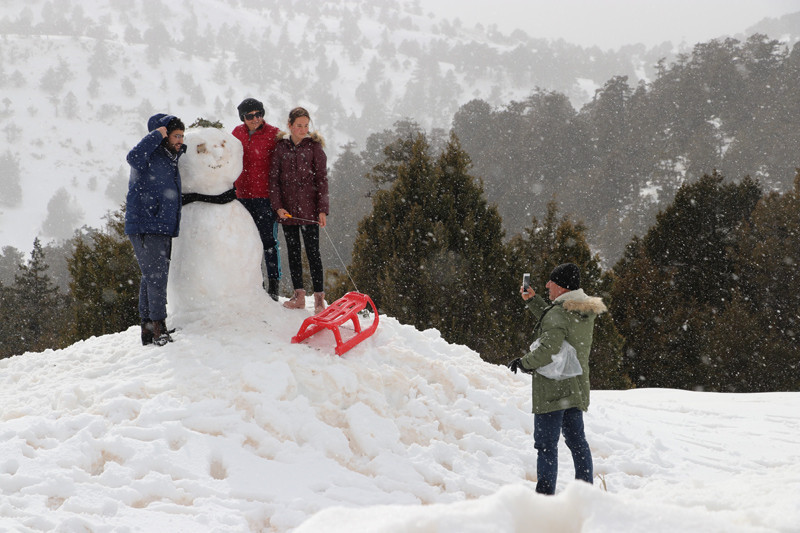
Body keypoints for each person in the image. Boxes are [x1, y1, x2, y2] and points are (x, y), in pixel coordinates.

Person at [507, 263, 607, 495]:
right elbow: (557, 319)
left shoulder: (558, 314)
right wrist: (534, 301)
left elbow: (548, 348)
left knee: (546, 446)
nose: (546, 285)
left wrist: (523, 362)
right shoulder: (583, 311)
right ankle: (584, 494)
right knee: (578, 443)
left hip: (553, 390)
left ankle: (544, 497)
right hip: (575, 387)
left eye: (551, 281)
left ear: (561, 287)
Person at [125, 113, 186, 346]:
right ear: (163, 135)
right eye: (175, 135)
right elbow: (132, 156)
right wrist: (156, 134)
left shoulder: (171, 157)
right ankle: (159, 329)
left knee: (150, 278)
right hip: (145, 224)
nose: (180, 140)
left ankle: (148, 329)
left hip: (161, 226)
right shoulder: (148, 154)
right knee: (157, 278)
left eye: (182, 135)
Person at [269, 107, 329, 314]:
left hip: (310, 210)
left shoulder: (314, 147)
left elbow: (322, 179)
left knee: (313, 253)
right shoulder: (281, 148)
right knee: (293, 253)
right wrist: (278, 207)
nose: (303, 129)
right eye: (299, 125)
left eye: (306, 125)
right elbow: (274, 180)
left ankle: (319, 298)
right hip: (288, 212)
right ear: (290, 126)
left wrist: (322, 210)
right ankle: (299, 296)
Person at [232, 98, 283, 301]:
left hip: (265, 197)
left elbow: (282, 165)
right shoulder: (237, 134)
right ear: (242, 118)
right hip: (242, 197)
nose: (255, 119)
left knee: (268, 241)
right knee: (246, 242)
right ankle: (253, 283)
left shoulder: (273, 134)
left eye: (259, 114)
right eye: (250, 116)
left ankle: (273, 285)